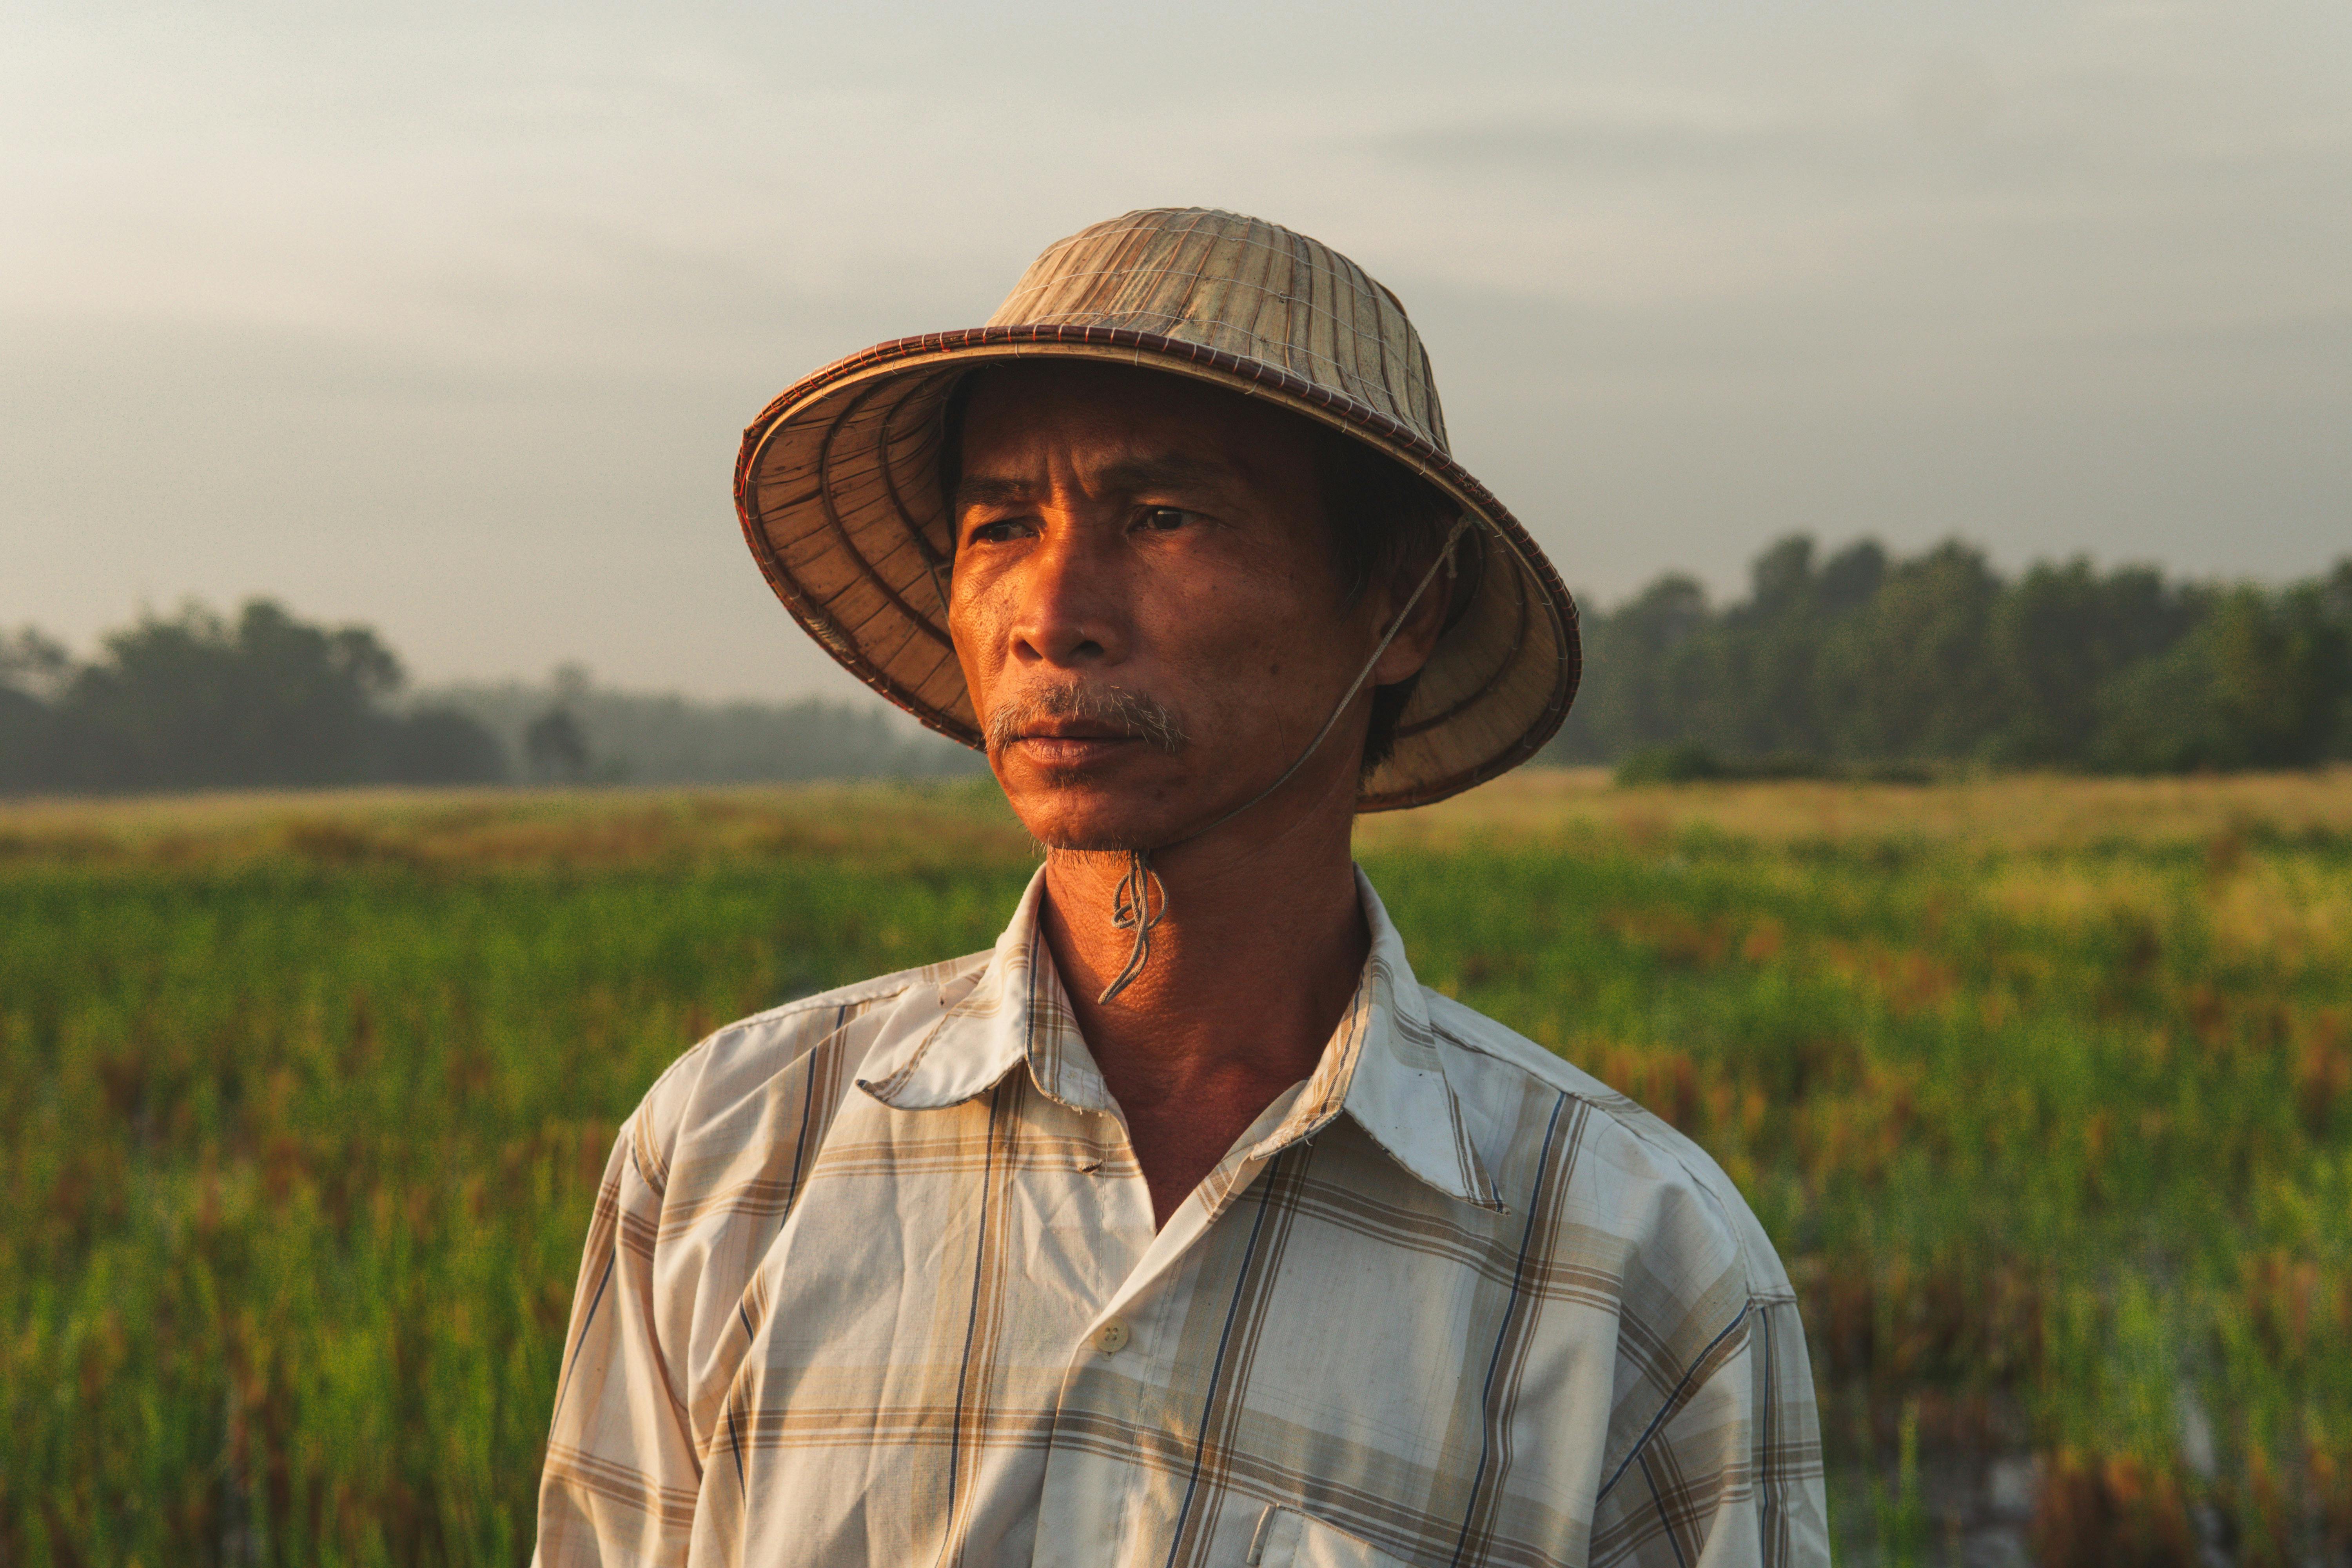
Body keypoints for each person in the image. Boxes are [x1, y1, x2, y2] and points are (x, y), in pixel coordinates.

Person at [534, 208, 1826, 1567]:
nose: (1052, 611)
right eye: (1000, 525)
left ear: (1406, 603)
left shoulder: (1631, 1262)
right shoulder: (733, 1157)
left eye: (1161, 518)